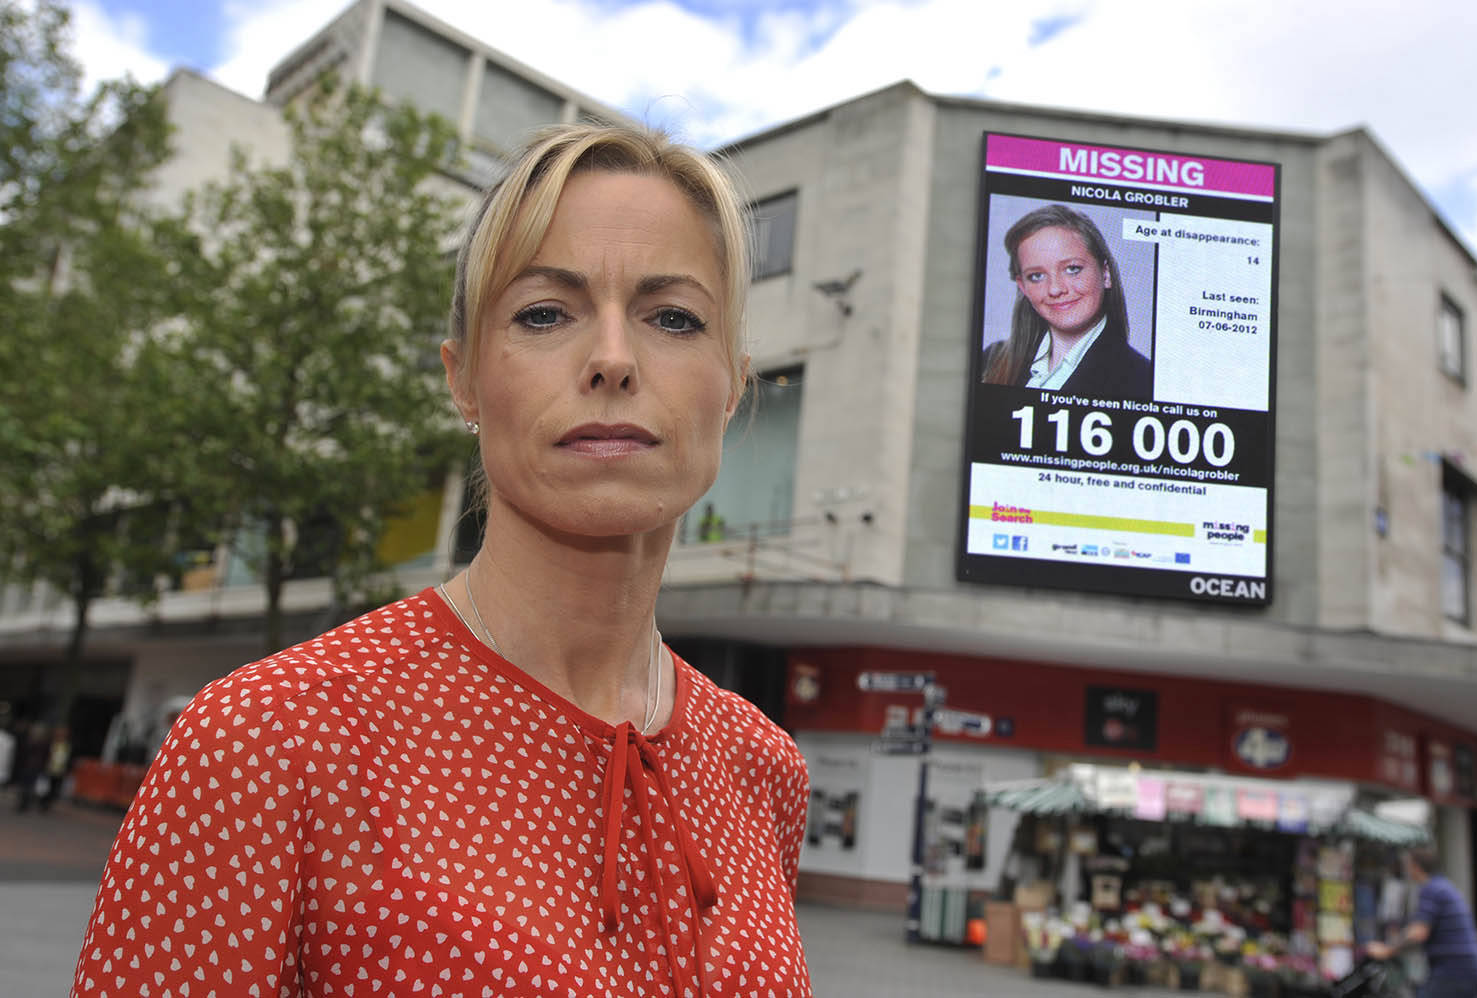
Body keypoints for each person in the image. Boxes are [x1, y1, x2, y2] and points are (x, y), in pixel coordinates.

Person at [72, 122, 812, 997]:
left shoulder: (762, 767)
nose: (613, 359)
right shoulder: (269, 738)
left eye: (674, 317)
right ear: (463, 378)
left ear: (732, 383)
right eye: (545, 312)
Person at [980, 203, 1152, 398]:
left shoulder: (1143, 380)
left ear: (1105, 274)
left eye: (1072, 269)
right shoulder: (992, 360)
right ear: (1023, 287)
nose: (1055, 289)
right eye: (1036, 276)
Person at [1367, 846, 1477, 998]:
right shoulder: (1442, 886)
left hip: (1454, 970)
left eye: (1408, 864)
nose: (1406, 869)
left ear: (1415, 866)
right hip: (1467, 968)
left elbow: (1418, 933)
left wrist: (1387, 950)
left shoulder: (1431, 889)